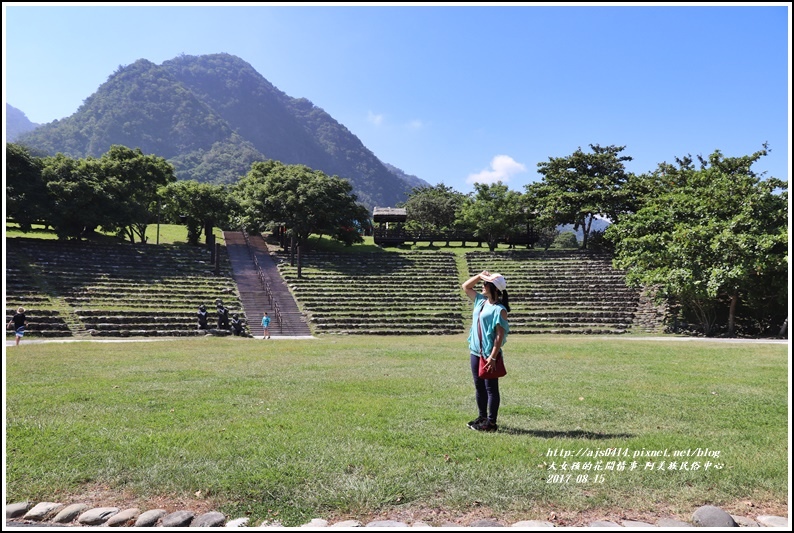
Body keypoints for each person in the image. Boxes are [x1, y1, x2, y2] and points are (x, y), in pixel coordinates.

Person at [462, 271, 510, 432]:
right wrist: (480, 275)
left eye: (485, 283)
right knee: (479, 386)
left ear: (493, 287)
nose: (482, 285)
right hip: (475, 351)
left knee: (491, 388)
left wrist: (493, 357)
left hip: (489, 354)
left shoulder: (499, 309)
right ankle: (482, 417)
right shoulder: (481, 301)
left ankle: (491, 423)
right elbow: (466, 286)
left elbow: (499, 335)